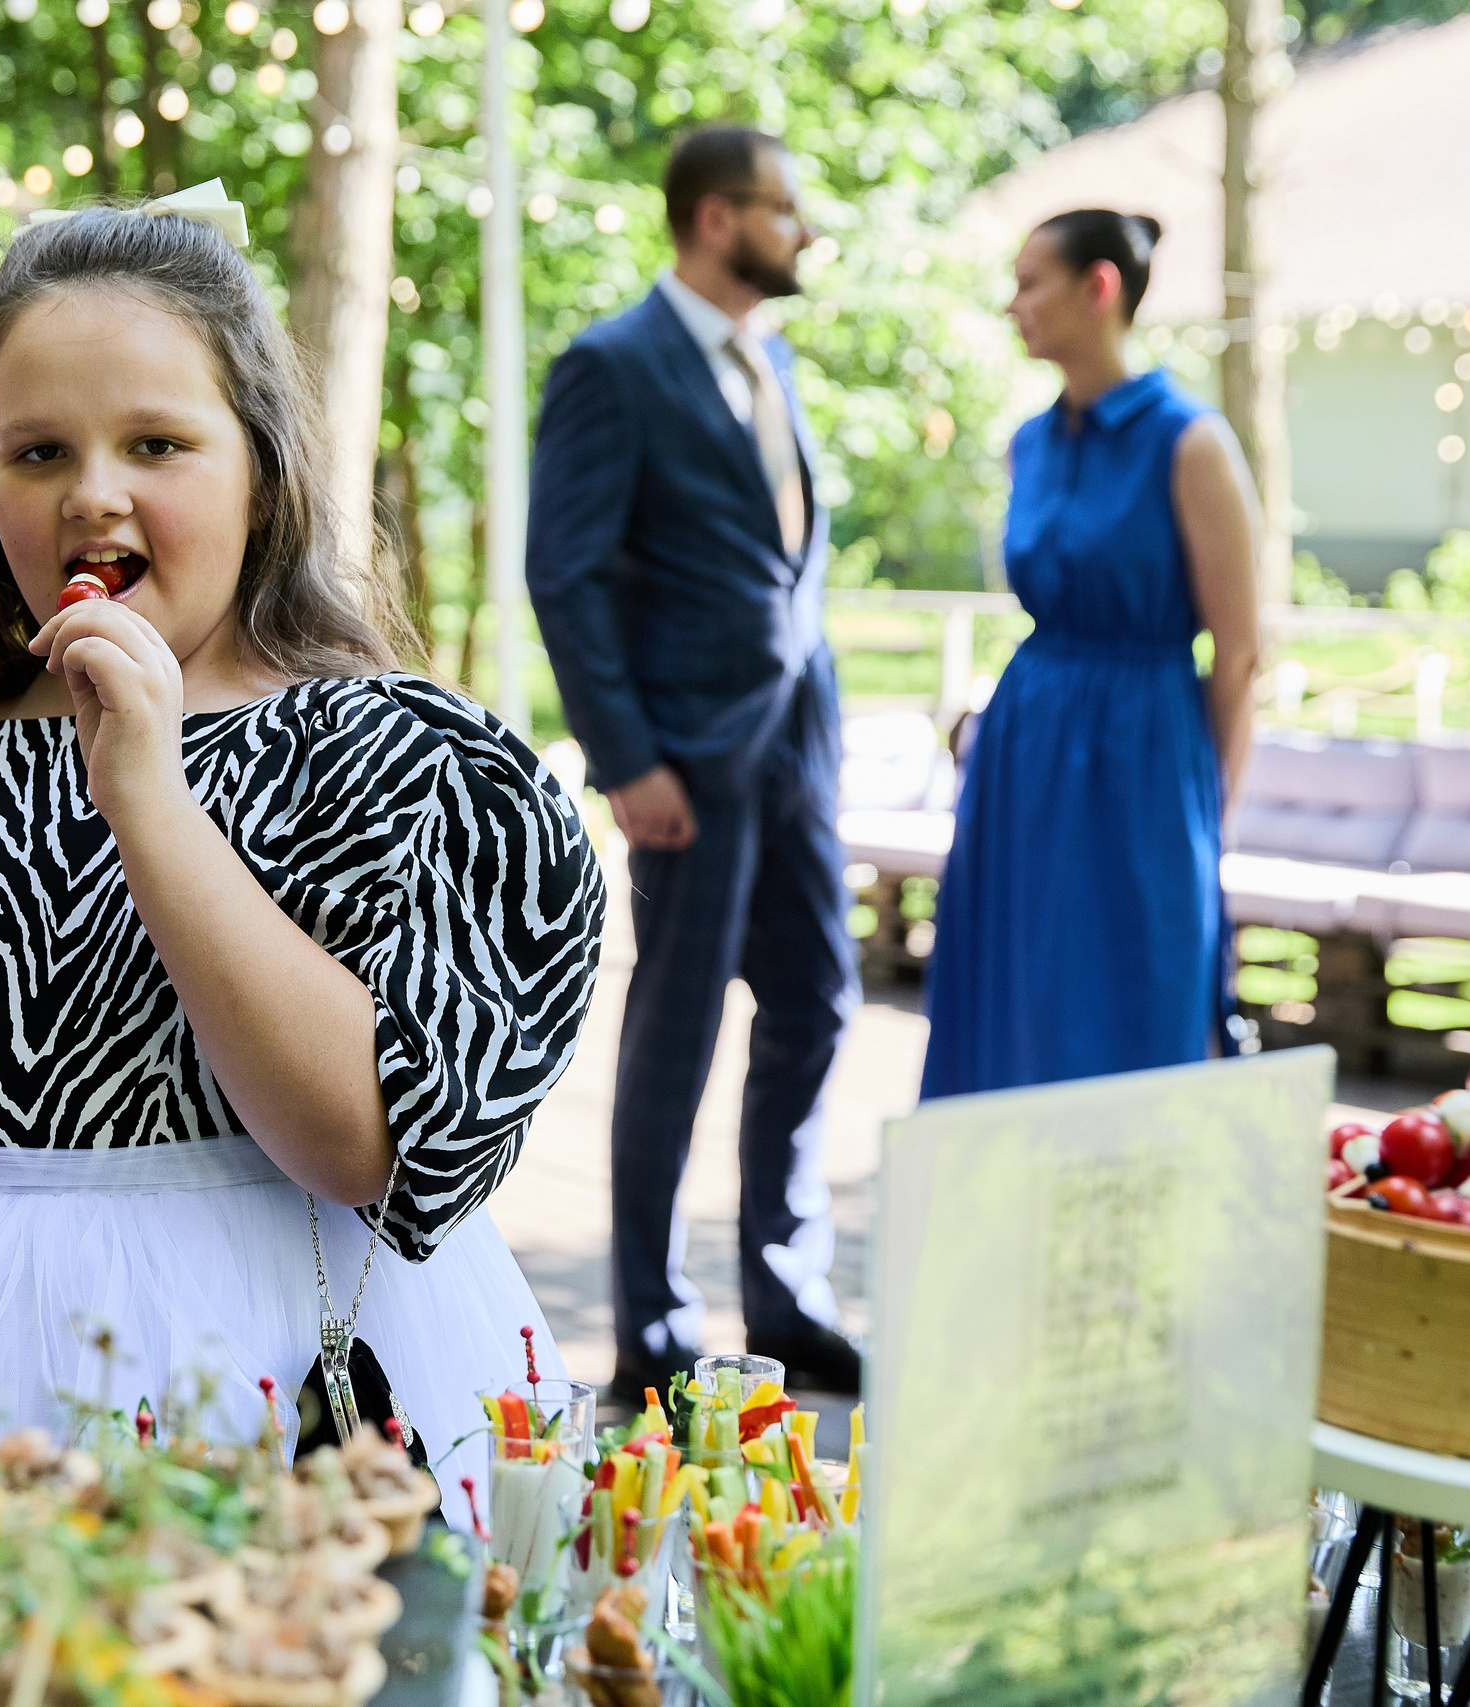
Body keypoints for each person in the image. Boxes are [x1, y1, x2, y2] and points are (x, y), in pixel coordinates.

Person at [0, 200, 604, 1519]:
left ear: (261, 467)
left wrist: (149, 801)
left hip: (266, 1393)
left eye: (155, 441)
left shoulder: (391, 758)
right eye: (38, 449)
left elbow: (365, 1142)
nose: (91, 490)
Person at [526, 125, 860, 1403]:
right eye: (786, 209)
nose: (805, 232)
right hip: (681, 770)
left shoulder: (771, 368)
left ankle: (787, 1294)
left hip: (797, 760)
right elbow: (564, 575)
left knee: (818, 1004)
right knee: (672, 1037)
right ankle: (652, 1329)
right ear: (717, 219)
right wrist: (627, 760)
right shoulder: (611, 366)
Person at [918, 211, 1259, 1097]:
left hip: (1146, 755)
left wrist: (1204, 803)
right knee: (1016, 991)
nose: (1013, 303)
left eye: (1031, 281)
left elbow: (1241, 651)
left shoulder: (1190, 441)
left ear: (1098, 287)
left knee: (1140, 995)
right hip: (1024, 754)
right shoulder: (1028, 442)